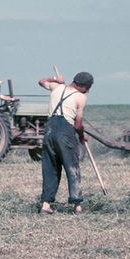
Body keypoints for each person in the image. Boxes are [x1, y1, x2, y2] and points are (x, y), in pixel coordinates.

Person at [36, 71, 93, 215]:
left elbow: (41, 81)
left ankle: (46, 205)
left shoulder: (56, 87)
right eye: (88, 87)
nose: (88, 91)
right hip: (65, 133)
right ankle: (77, 206)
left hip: (49, 132)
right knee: (72, 168)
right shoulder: (81, 97)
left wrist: (55, 79)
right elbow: (78, 125)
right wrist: (81, 137)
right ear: (82, 86)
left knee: (50, 168)